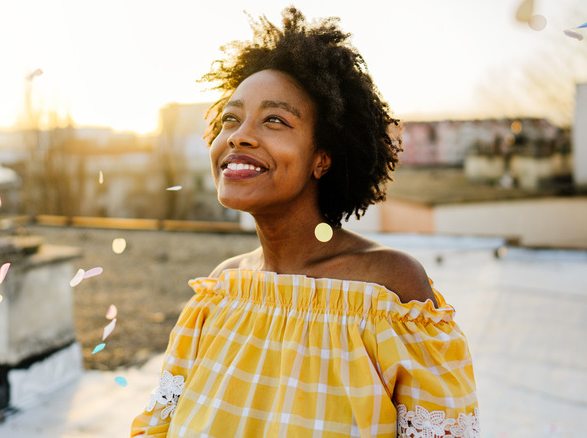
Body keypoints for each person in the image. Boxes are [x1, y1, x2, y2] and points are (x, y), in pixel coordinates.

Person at [132, 7, 479, 437]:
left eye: (275, 120)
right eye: (230, 118)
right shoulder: (218, 296)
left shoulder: (389, 291)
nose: (239, 134)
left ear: (322, 159)